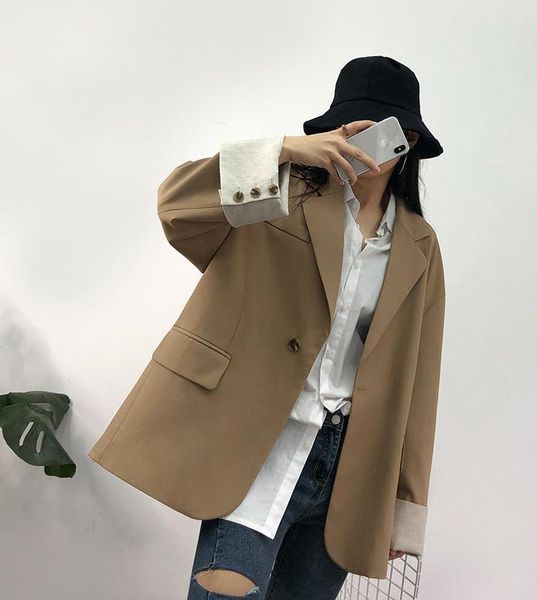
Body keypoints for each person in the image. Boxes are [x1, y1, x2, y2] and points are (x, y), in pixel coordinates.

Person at [87, 55, 446, 600]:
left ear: (409, 140)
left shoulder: (420, 245)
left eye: (383, 131)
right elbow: (176, 207)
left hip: (351, 471)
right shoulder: (280, 193)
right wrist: (282, 150)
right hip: (261, 444)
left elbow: (419, 382)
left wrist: (404, 504)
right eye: (354, 127)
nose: (366, 143)